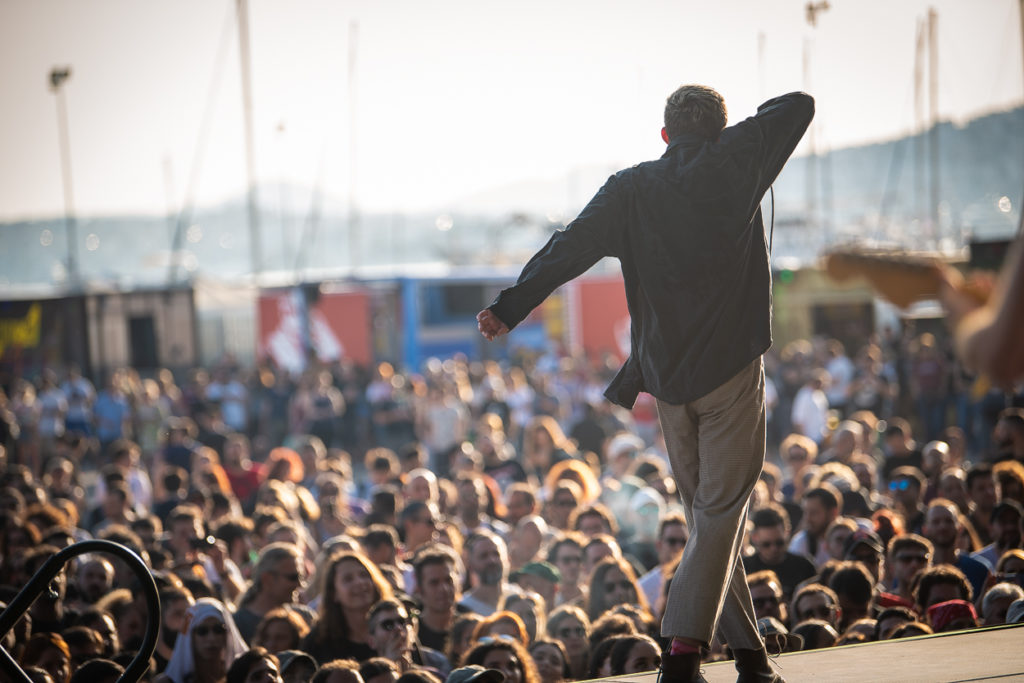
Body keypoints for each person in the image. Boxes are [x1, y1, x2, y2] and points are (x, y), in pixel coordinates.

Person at [477, 85, 813, 682]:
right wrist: (728, 140)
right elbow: (799, 104)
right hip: (732, 371)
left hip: (667, 381)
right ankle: (680, 657)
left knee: (709, 521)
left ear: (663, 136)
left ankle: (751, 659)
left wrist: (510, 306)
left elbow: (568, 248)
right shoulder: (737, 158)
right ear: (716, 131)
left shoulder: (629, 188)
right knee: (719, 514)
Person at [162, 598, 249, 683]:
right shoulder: (168, 681)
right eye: (202, 631)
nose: (212, 638)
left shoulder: (242, 677)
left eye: (218, 630)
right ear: (191, 636)